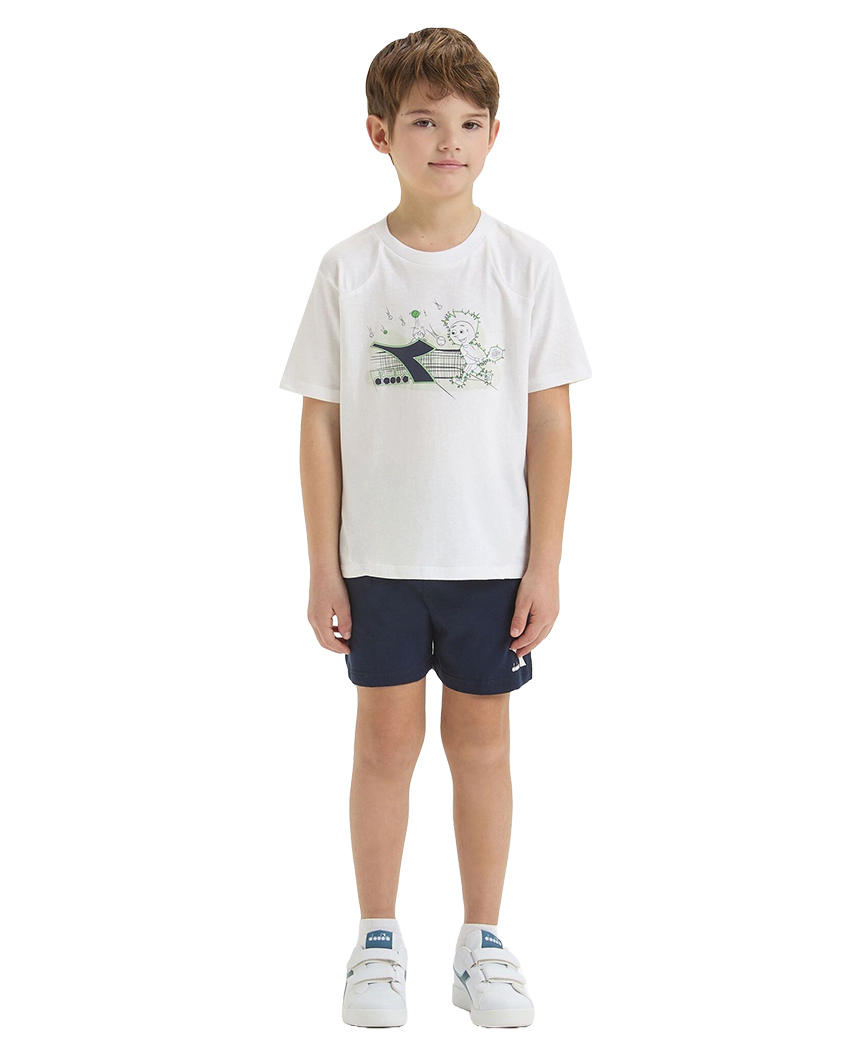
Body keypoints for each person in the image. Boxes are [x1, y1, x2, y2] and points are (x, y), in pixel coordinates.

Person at [278, 27, 592, 1029]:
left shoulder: (524, 267)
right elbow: (320, 423)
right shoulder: (349, 270)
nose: (447, 141)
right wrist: (322, 565)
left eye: (468, 122)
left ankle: (481, 942)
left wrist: (545, 562)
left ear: (495, 135)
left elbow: (550, 420)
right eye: (423, 121)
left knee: (483, 747)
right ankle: (377, 939)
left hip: (490, 561)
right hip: (378, 562)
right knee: (383, 746)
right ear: (380, 134)